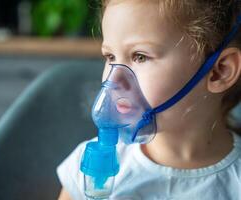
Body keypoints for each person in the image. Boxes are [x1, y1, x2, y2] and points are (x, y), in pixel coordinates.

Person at [57, 0, 241, 199]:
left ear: (219, 72)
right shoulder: (85, 171)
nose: (115, 79)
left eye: (140, 56)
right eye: (110, 57)